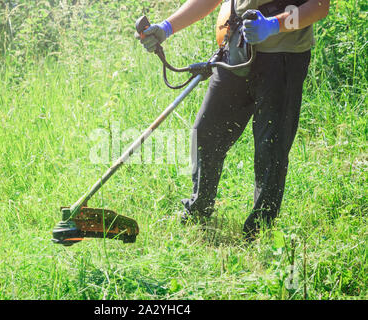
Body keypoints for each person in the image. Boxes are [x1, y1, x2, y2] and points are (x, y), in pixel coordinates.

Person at [136, 0, 330, 241]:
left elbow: (320, 6)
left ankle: (259, 233)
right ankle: (200, 210)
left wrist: (273, 25)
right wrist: (166, 27)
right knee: (206, 132)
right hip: (236, 52)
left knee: (271, 148)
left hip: (284, 59)